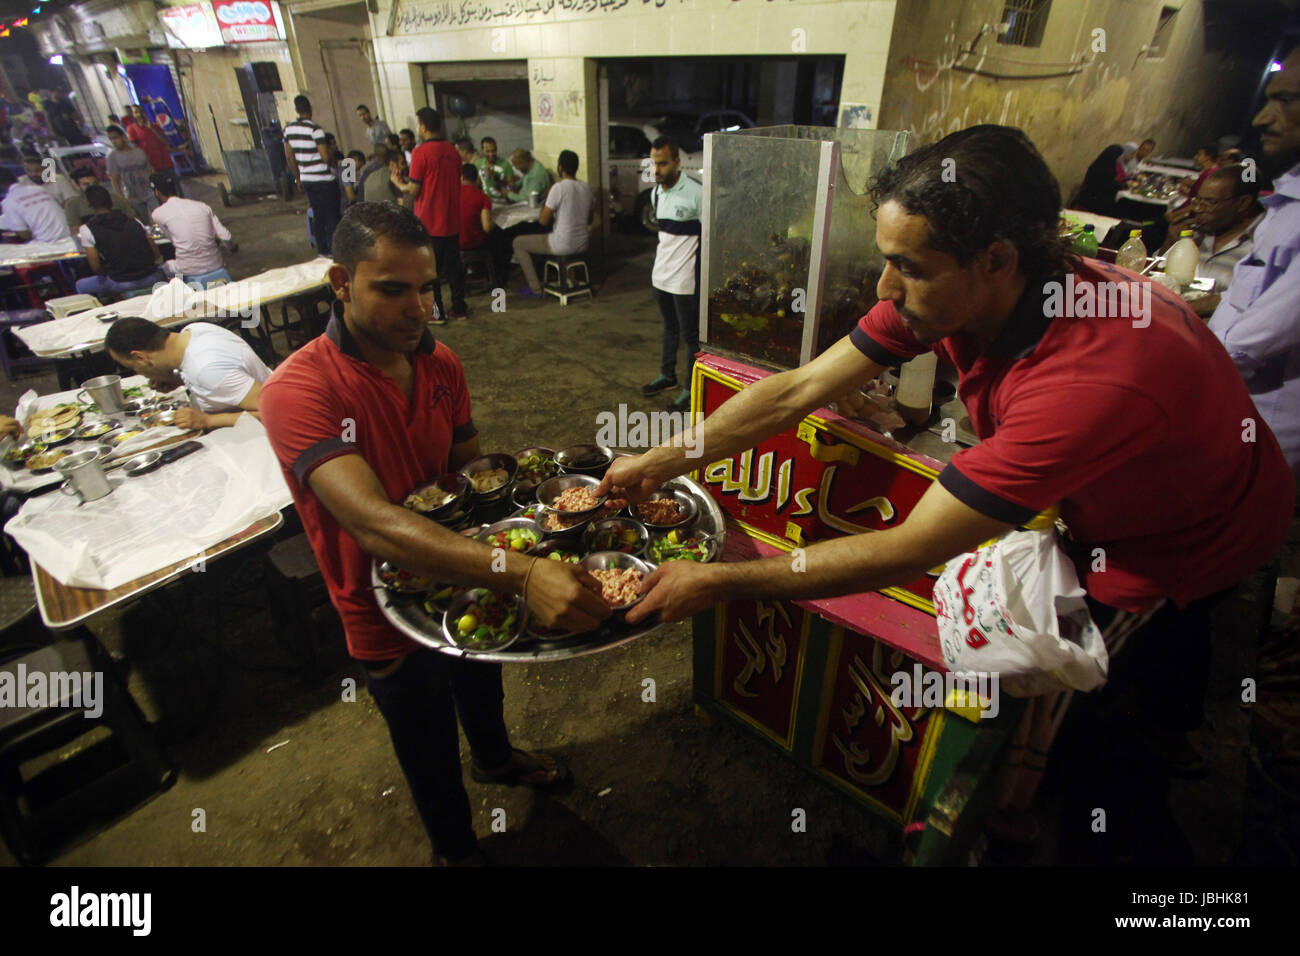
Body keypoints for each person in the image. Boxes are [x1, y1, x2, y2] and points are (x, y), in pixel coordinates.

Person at [601, 125, 1294, 843]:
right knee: (1132, 687)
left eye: (909, 267)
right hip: (1146, 477)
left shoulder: (1091, 377)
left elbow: (910, 548)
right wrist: (655, 462)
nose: (884, 287)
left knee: (1100, 734)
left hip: (1189, 533)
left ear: (997, 258)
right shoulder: (975, 290)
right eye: (884, 261)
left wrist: (716, 582)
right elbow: (796, 390)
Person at [259, 202, 606, 864]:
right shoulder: (300, 390)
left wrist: (538, 506)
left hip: (468, 576)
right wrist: (523, 573)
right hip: (381, 604)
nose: (416, 308)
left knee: (481, 680)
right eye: (391, 290)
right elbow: (373, 523)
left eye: (424, 287)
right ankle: (455, 847)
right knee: (423, 737)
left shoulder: (441, 363)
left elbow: (468, 472)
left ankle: (497, 760)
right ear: (340, 283)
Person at [1210, 47, 1300, 479]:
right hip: (1232, 417)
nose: (1263, 118)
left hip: (1264, 439)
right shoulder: (1288, 203)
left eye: (1286, 100)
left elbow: (1250, 341)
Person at [106, 316, 269, 430]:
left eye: (132, 366)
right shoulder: (193, 331)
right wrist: (180, 380)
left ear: (140, 357)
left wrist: (208, 420)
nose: (138, 373)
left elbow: (278, 412)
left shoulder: (206, 370)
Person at [638, 136, 701, 413]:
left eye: (663, 163)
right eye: (654, 163)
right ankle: (667, 375)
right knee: (669, 328)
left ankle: (691, 389)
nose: (657, 169)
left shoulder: (696, 194)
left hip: (685, 280)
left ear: (677, 161)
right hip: (660, 277)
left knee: (691, 337)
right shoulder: (656, 193)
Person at [390, 107, 467, 323]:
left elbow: (414, 190)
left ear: (423, 126)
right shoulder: (453, 151)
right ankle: (459, 308)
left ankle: (437, 313)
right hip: (451, 219)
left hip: (430, 222)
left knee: (430, 273)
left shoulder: (420, 153)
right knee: (454, 270)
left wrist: (398, 183)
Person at [1158, 165, 1263, 316]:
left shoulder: (1265, 243)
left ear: (1243, 203)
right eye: (1197, 201)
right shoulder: (1196, 232)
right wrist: (1170, 242)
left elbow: (1252, 298)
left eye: (1209, 202)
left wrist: (1178, 309)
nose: (1198, 209)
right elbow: (1158, 278)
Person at [511, 149, 592, 297]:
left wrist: (548, 198)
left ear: (560, 167)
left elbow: (543, 221)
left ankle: (535, 289)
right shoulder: (586, 187)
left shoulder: (558, 188)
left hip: (563, 244)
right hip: (583, 242)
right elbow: (590, 218)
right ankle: (569, 278)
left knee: (518, 242)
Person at [73, 185, 165, 297]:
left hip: (120, 282)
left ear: (88, 203)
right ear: (110, 200)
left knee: (80, 285)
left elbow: (96, 268)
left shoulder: (87, 230)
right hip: (152, 277)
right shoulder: (135, 221)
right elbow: (156, 254)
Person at [149, 171, 238, 280]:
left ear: (157, 192)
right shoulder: (202, 206)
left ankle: (181, 290)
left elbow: (173, 240)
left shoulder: (158, 214)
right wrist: (232, 248)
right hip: (216, 264)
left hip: (189, 268)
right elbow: (226, 237)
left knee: (163, 269)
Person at [284, 95, 340, 256]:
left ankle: (322, 251)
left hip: (307, 179)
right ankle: (334, 251)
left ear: (296, 110)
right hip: (324, 180)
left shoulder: (288, 130)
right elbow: (325, 156)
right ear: (310, 108)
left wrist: (298, 178)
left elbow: (289, 156)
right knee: (331, 216)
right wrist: (332, 156)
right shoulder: (315, 129)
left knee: (318, 215)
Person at [0, 167, 72, 242]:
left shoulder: (8, 202)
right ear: (15, 178)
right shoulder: (39, 189)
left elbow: (24, 235)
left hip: (47, 242)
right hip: (70, 235)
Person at [458, 162, 500, 282]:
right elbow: (487, 227)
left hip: (454, 242)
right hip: (474, 242)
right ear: (477, 179)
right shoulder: (482, 197)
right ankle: (497, 278)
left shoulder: (451, 195)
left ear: (461, 178)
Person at [105, 123, 155, 220]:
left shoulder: (139, 152)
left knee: (159, 217)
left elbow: (150, 170)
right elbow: (114, 180)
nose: (114, 141)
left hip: (149, 192)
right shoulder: (112, 157)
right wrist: (122, 198)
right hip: (132, 196)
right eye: (111, 139)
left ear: (123, 137)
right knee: (142, 222)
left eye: (116, 138)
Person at [64, 169, 134, 228]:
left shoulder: (115, 199)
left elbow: (132, 219)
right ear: (77, 186)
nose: (92, 187)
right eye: (86, 184)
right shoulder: (73, 204)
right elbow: (75, 230)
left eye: (94, 183)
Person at [1072, 144, 1124, 215]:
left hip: (1090, 198)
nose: (1119, 159)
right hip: (1094, 202)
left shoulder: (1100, 164)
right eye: (1119, 157)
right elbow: (1105, 184)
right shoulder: (1105, 168)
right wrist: (1120, 186)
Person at [128, 104, 175, 177]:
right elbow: (135, 149)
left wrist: (152, 129)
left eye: (141, 112)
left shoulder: (155, 126)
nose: (140, 114)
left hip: (165, 163)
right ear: (132, 115)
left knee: (173, 187)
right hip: (150, 167)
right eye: (136, 112)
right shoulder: (131, 129)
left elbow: (166, 142)